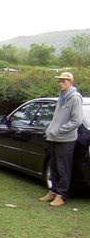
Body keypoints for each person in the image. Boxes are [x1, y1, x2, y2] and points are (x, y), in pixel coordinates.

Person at [39, 71, 83, 207]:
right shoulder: (61, 97)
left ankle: (61, 195)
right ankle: (53, 191)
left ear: (71, 82)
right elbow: (56, 119)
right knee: (54, 167)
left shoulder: (75, 98)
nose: (60, 83)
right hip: (54, 138)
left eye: (64, 81)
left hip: (66, 140)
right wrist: (51, 130)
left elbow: (77, 121)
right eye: (60, 81)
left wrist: (59, 130)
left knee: (64, 168)